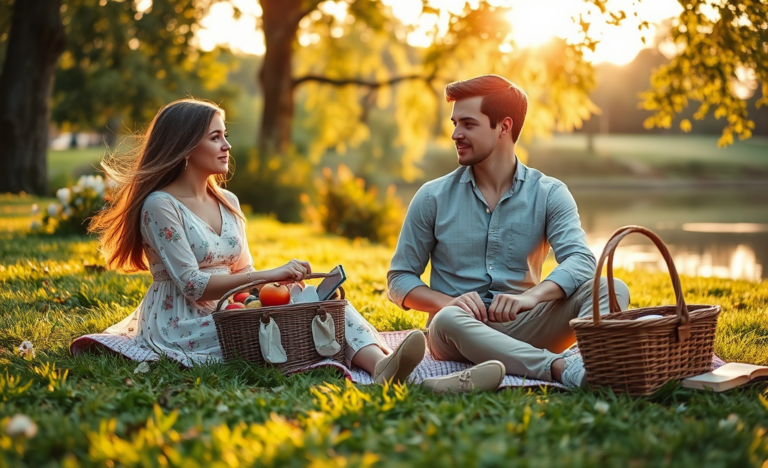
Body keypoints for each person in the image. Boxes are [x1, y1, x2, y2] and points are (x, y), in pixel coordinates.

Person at [71, 98, 426, 384]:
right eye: (215, 137)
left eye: (224, 135)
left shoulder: (229, 202)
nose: (227, 145)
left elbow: (246, 270)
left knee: (322, 307)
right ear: (184, 147)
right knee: (288, 329)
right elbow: (193, 286)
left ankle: (382, 366)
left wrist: (282, 284)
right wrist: (266, 276)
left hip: (234, 306)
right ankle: (382, 369)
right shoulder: (160, 206)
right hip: (181, 322)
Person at [387, 75, 630, 389]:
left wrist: (531, 298)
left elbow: (582, 261)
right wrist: (447, 302)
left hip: (528, 325)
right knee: (447, 319)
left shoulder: (549, 193)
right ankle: (560, 368)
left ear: (503, 126)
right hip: (456, 332)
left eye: (468, 124)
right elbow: (399, 278)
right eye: (455, 123)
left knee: (611, 287)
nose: (455, 134)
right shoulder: (432, 197)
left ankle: (580, 362)